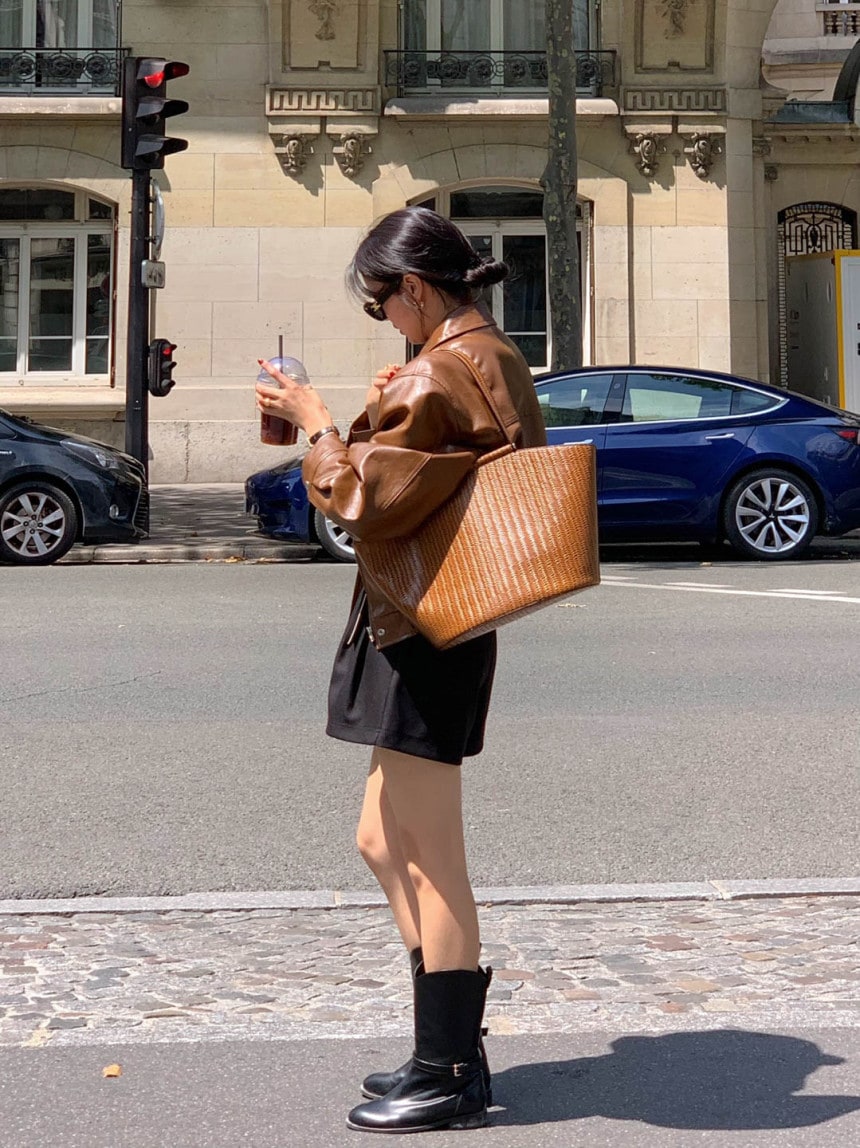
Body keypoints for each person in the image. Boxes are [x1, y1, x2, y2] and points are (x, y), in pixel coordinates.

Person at [255, 206, 546, 1134]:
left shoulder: (439, 368)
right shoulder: (479, 353)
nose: (383, 315)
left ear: (415, 288)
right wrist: (380, 407)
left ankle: (449, 1069)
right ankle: (446, 1046)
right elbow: (418, 470)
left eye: (382, 300)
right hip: (427, 620)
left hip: (428, 626)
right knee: (382, 840)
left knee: (429, 852)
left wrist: (315, 421)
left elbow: (357, 501)